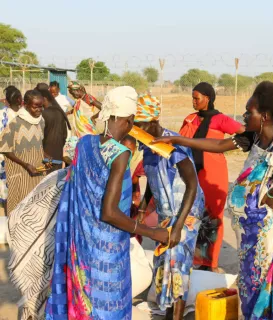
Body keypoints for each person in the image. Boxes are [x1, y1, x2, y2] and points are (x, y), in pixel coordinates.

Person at [154, 81, 273, 319]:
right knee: (249, 284)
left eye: (249, 111)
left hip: (266, 240)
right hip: (251, 234)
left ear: (266, 116)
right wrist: (179, 141)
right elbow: (219, 144)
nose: (243, 115)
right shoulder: (256, 138)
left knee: (261, 286)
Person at [45, 86, 169, 319]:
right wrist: (152, 232)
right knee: (107, 306)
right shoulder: (120, 153)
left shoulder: (84, 144)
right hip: (107, 249)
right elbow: (110, 213)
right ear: (130, 119)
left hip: (82, 245)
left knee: (85, 301)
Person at [135, 94, 205, 320]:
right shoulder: (148, 146)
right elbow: (152, 179)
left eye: (140, 125)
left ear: (154, 121)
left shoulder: (173, 144)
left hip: (187, 212)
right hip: (166, 213)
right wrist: (143, 209)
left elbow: (192, 185)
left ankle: (174, 316)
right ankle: (168, 311)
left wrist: (178, 227)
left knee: (177, 264)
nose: (137, 129)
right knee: (163, 262)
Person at [179, 82, 245, 272]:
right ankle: (192, 259)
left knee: (213, 216)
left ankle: (210, 264)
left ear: (207, 99)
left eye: (196, 98)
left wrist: (228, 145)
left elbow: (244, 133)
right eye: (192, 97)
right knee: (192, 214)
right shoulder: (191, 119)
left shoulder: (220, 119)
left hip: (213, 173)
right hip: (192, 172)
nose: (193, 101)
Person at [0, 90, 46, 213]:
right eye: (35, 107)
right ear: (25, 105)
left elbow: (39, 145)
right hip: (20, 172)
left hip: (37, 170)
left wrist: (46, 159)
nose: (39, 110)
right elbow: (5, 149)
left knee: (36, 206)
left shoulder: (41, 121)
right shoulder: (15, 123)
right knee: (20, 207)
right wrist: (25, 164)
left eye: (41, 106)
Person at [37, 88, 71, 172]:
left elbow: (38, 136)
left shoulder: (43, 114)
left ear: (44, 99)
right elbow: (64, 134)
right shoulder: (59, 112)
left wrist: (42, 153)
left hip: (46, 153)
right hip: (58, 152)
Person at [0, 86, 22, 214]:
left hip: (3, 156)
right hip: (17, 157)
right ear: (20, 99)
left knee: (5, 188)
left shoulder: (2, 114)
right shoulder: (23, 115)